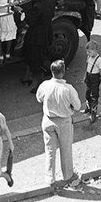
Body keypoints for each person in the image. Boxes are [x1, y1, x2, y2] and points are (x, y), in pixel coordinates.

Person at [36, 57, 82, 189]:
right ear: (63, 72)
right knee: (66, 149)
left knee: (50, 150)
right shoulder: (68, 89)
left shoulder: (45, 85)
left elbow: (39, 98)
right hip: (63, 121)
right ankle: (68, 176)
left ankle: (50, 177)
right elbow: (77, 106)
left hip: (48, 119)